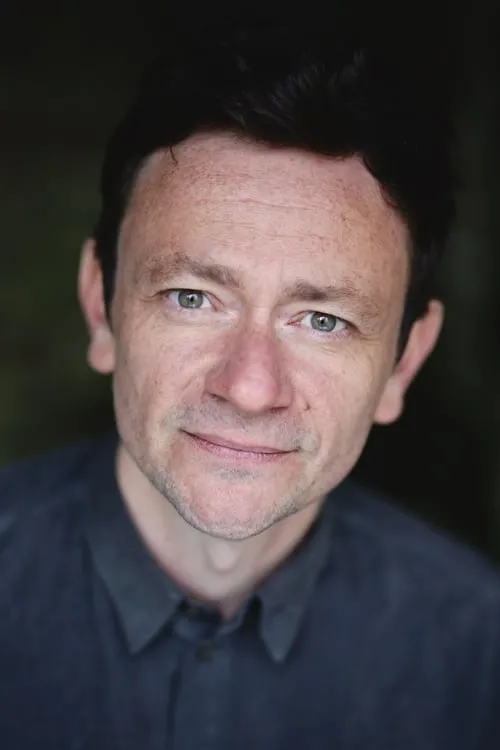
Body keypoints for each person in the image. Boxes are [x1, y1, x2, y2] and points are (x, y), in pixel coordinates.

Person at [1, 14, 499, 750]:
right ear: (99, 306)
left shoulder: (477, 650)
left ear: (404, 362)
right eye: (192, 297)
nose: (249, 387)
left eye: (323, 320)